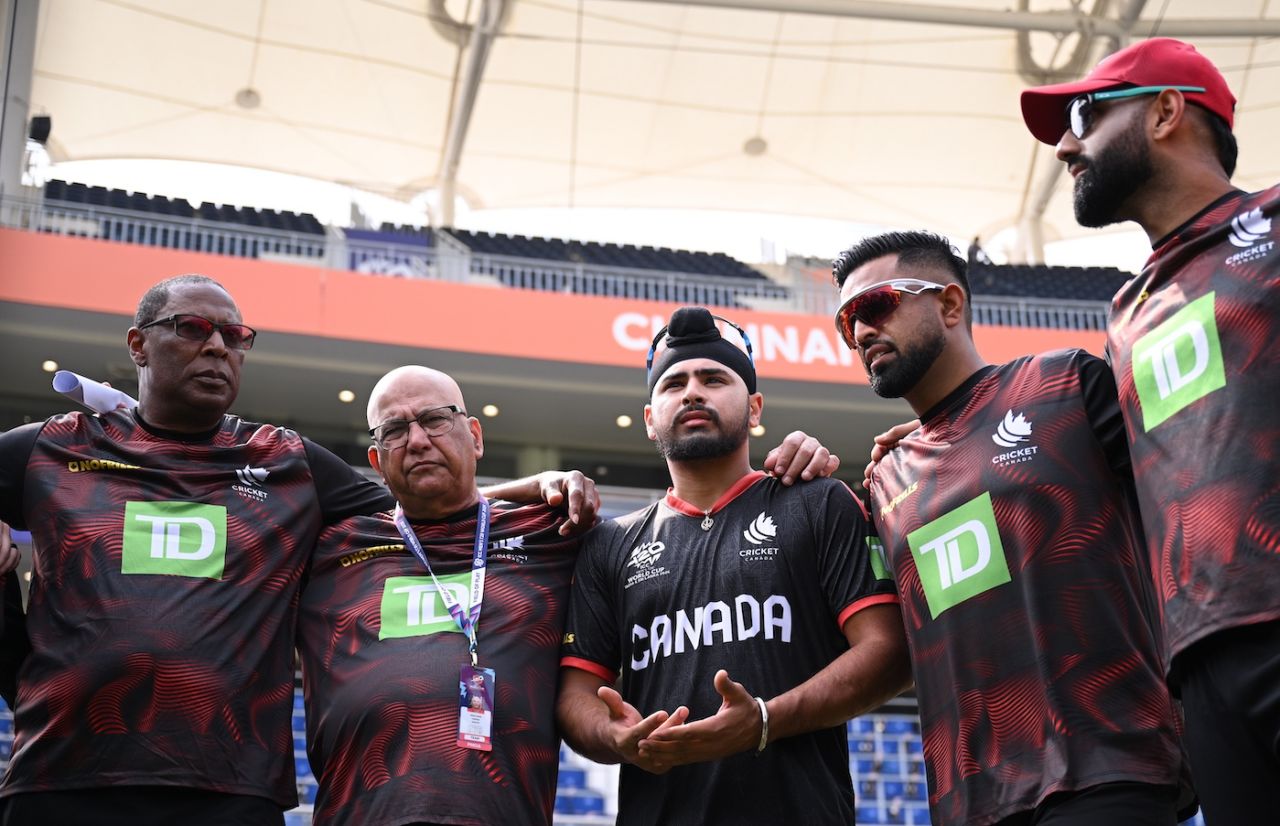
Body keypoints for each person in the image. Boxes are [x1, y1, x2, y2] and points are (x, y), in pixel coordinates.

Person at [0, 274, 596, 826]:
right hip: (59, 775)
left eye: (234, 336)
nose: (217, 347)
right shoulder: (53, 447)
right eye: (192, 328)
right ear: (137, 344)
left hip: (230, 790)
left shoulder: (285, 463)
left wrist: (536, 485)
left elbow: (426, 495)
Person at [834, 231, 1191, 825]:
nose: (863, 332)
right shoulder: (884, 481)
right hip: (969, 804)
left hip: (1108, 770)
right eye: (848, 324)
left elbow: (1184, 514)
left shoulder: (1065, 387)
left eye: (876, 305)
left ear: (950, 305)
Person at [1020, 37, 1280, 822]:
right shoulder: (1126, 311)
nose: (1067, 144)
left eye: (1085, 115)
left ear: (1167, 110)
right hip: (1200, 669)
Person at [557, 306, 912, 826]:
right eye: (674, 382)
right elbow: (575, 694)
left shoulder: (818, 503)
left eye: (714, 378)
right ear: (650, 420)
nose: (693, 392)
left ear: (754, 408)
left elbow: (889, 652)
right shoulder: (609, 544)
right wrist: (615, 738)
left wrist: (764, 721)